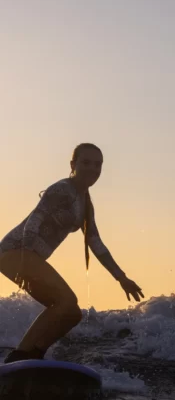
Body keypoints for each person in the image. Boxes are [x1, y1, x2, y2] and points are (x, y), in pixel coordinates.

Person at [0, 143, 143, 363]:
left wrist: (121, 277)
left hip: (27, 257)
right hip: (15, 252)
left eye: (98, 165)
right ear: (73, 165)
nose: (92, 169)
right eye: (86, 162)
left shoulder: (85, 204)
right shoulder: (61, 189)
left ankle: (35, 354)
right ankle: (18, 357)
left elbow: (96, 243)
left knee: (72, 313)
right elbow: (35, 219)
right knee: (68, 300)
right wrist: (26, 256)